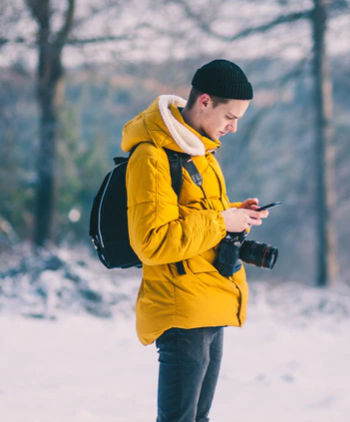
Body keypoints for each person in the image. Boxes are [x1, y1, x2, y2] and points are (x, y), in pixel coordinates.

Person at [121, 59, 268, 422]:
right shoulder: (151, 156)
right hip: (181, 307)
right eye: (229, 117)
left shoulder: (199, 150)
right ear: (204, 102)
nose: (233, 128)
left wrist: (237, 214)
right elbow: (152, 242)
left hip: (209, 300)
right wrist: (222, 221)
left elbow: (194, 214)